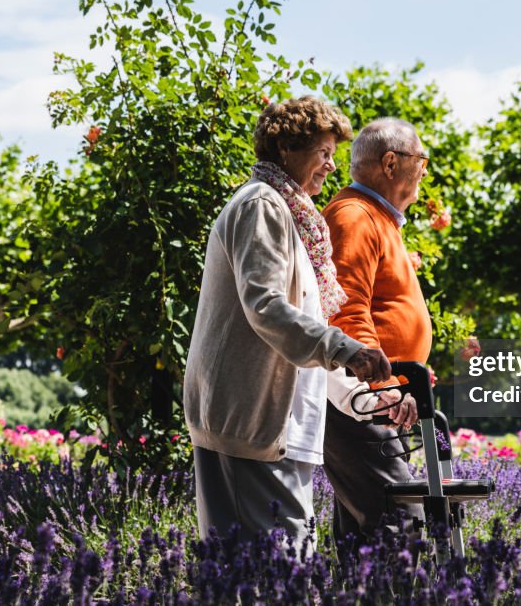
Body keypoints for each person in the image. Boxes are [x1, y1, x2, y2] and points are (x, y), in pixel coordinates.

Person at [183, 96, 404, 548]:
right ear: (285, 148)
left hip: (278, 427)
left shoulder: (291, 214)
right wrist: (346, 348)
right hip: (250, 422)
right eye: (323, 153)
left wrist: (367, 399)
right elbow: (265, 305)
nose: (330, 166)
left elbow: (303, 326)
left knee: (261, 574)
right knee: (278, 573)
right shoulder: (261, 205)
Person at [321, 117, 432, 543]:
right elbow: (345, 309)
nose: (424, 169)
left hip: (374, 399)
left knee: (364, 533)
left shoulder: (375, 217)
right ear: (390, 163)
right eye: (420, 159)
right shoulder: (355, 215)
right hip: (361, 399)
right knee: (400, 521)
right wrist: (382, 384)